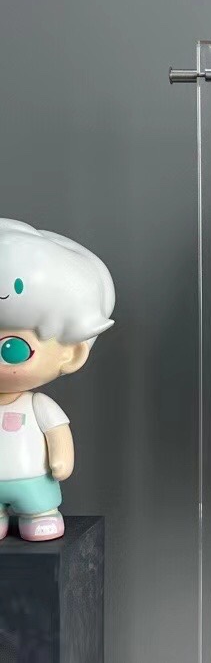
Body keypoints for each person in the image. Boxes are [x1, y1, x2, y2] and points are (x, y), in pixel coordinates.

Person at [0, 219, 115, 541]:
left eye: (12, 348)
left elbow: (57, 434)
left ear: (72, 354)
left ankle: (41, 515)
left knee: (39, 506)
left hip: (34, 481)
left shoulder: (39, 405)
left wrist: (61, 459)